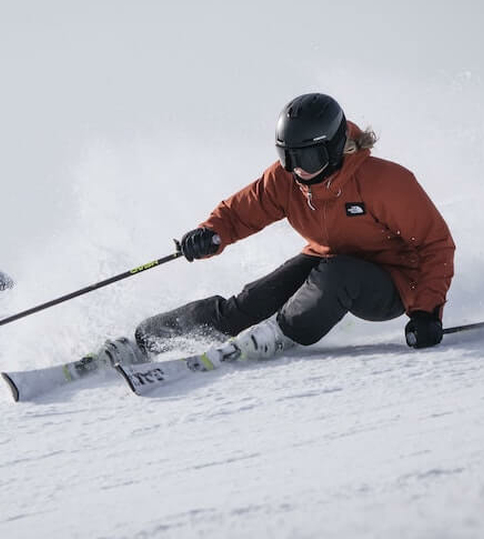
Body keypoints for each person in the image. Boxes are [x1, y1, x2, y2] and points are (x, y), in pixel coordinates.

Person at [115, 93, 455, 364]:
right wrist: (211, 234)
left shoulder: (385, 182)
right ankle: (146, 340)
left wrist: (427, 313)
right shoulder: (287, 180)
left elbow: (435, 246)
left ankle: (275, 335)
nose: (297, 170)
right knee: (246, 304)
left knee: (338, 273)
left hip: (391, 283)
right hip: (326, 261)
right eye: (287, 157)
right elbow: (241, 212)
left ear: (333, 149)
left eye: (307, 159)